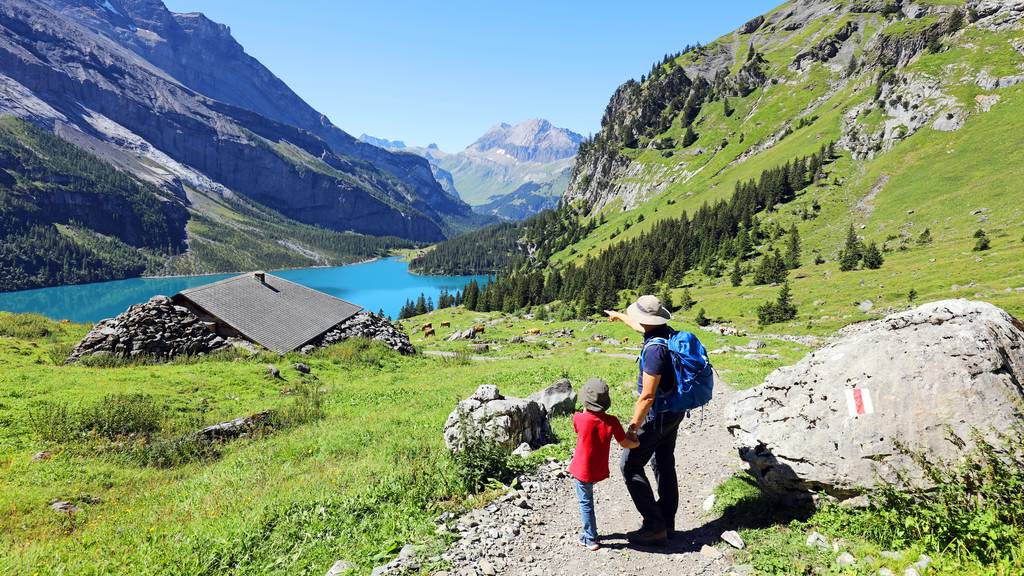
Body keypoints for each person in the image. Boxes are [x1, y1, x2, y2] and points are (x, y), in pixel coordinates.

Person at [605, 294, 687, 546]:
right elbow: (639, 325)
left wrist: (632, 429)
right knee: (664, 461)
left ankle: (654, 526)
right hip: (674, 410)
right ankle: (667, 521)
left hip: (657, 416)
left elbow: (647, 396)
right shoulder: (665, 332)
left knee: (629, 465)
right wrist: (619, 316)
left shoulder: (654, 351)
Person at [568, 378, 639, 551]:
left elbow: (579, 428)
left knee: (585, 503)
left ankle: (590, 538)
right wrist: (636, 443)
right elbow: (625, 443)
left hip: (582, 470)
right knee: (588, 501)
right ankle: (589, 532)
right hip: (598, 469)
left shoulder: (579, 418)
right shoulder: (612, 421)